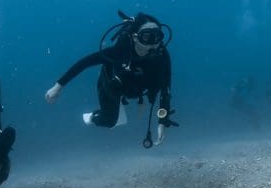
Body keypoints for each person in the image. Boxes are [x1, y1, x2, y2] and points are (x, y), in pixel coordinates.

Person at [45, 10, 178, 146]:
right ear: (135, 37)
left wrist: (162, 122)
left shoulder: (161, 55)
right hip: (114, 85)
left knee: (155, 83)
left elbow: (166, 89)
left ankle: (124, 102)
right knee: (109, 121)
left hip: (140, 87)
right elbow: (85, 62)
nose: (153, 44)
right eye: (147, 37)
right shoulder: (120, 51)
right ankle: (92, 117)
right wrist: (58, 86)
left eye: (157, 36)